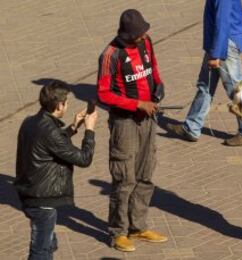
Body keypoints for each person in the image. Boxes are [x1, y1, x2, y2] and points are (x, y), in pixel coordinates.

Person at [97, 9, 167, 252]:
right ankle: (118, 232)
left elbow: (153, 69)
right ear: (127, 35)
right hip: (124, 123)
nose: (144, 36)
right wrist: (138, 104)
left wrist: (158, 87)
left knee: (145, 174)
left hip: (148, 119)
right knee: (124, 179)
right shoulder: (110, 55)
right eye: (139, 33)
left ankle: (138, 226)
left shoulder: (146, 43)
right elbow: (104, 93)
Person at [14, 80, 97, 260]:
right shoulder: (50, 131)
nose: (67, 105)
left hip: (30, 193)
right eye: (66, 102)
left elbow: (50, 144)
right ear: (59, 105)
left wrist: (74, 127)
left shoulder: (30, 122)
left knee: (48, 243)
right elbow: (84, 159)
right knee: (41, 251)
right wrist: (89, 130)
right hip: (42, 200)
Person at [166, 0, 242, 146]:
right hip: (218, 44)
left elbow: (223, 23)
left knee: (236, 89)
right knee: (205, 86)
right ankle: (192, 127)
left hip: (223, 45)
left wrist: (216, 54)